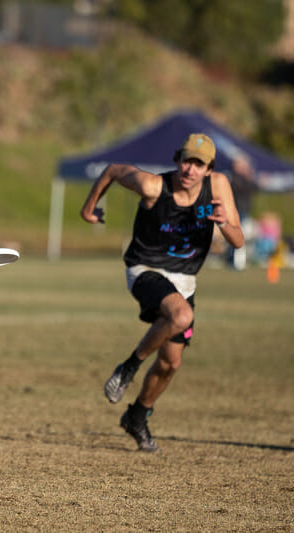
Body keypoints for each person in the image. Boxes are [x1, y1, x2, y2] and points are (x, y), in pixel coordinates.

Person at [80, 133, 244, 452]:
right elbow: (113, 170)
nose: (190, 169)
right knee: (182, 315)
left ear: (209, 169)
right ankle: (128, 366)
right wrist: (89, 209)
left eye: (199, 164)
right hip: (145, 270)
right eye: (186, 161)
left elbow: (238, 241)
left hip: (185, 281)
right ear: (177, 160)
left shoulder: (219, 187)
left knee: (171, 363)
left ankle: (137, 415)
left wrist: (224, 223)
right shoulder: (154, 186)